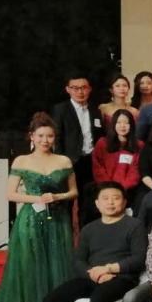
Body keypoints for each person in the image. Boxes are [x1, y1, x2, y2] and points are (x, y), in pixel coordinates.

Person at [0, 114, 76, 302]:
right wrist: (36, 198)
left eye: (50, 136)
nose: (45, 140)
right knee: (31, 272)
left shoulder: (64, 161)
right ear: (32, 137)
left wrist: (57, 196)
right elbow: (10, 194)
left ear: (55, 137)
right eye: (40, 136)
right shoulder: (21, 161)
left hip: (58, 221)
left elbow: (73, 192)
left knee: (57, 269)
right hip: (29, 222)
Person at [43, 182, 146, 302]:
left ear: (124, 202)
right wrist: (93, 274)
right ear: (97, 203)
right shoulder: (89, 229)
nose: (111, 202)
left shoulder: (135, 225)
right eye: (105, 198)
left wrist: (109, 269)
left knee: (98, 299)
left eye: (116, 198)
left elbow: (139, 259)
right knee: (52, 300)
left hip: (122, 278)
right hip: (92, 276)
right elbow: (78, 260)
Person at [52, 74, 104, 225]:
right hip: (69, 162)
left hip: (90, 162)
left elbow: (99, 136)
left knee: (88, 202)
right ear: (68, 89)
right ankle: (67, 236)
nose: (80, 91)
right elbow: (57, 137)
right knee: (67, 202)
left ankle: (86, 235)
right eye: (75, 88)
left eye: (84, 88)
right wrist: (60, 161)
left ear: (89, 89)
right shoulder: (61, 109)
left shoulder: (95, 110)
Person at [91, 109, 142, 201]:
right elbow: (98, 167)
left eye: (126, 123)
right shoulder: (102, 143)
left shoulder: (139, 145)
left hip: (128, 191)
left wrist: (121, 189)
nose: (122, 126)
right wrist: (109, 187)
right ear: (113, 124)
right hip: (104, 189)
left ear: (132, 125)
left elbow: (136, 170)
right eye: (119, 122)